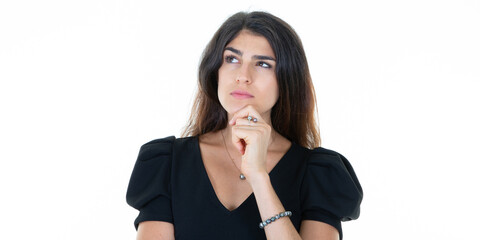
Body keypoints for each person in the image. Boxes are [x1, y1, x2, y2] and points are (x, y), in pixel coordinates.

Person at [126, 11, 363, 240]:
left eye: (263, 64)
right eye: (231, 59)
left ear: (287, 79)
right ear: (215, 71)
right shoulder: (166, 164)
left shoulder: (319, 174)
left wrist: (259, 177)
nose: (243, 75)